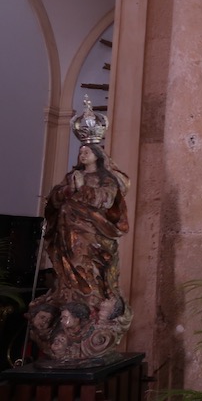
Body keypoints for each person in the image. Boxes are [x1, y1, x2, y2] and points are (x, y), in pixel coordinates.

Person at [29, 142, 132, 361]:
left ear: (98, 155)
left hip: (93, 235)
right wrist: (68, 189)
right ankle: (69, 304)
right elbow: (55, 198)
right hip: (67, 233)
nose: (83, 154)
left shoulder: (106, 178)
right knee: (69, 268)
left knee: (89, 268)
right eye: (81, 151)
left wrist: (83, 186)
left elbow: (105, 199)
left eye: (87, 152)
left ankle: (92, 305)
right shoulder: (72, 176)